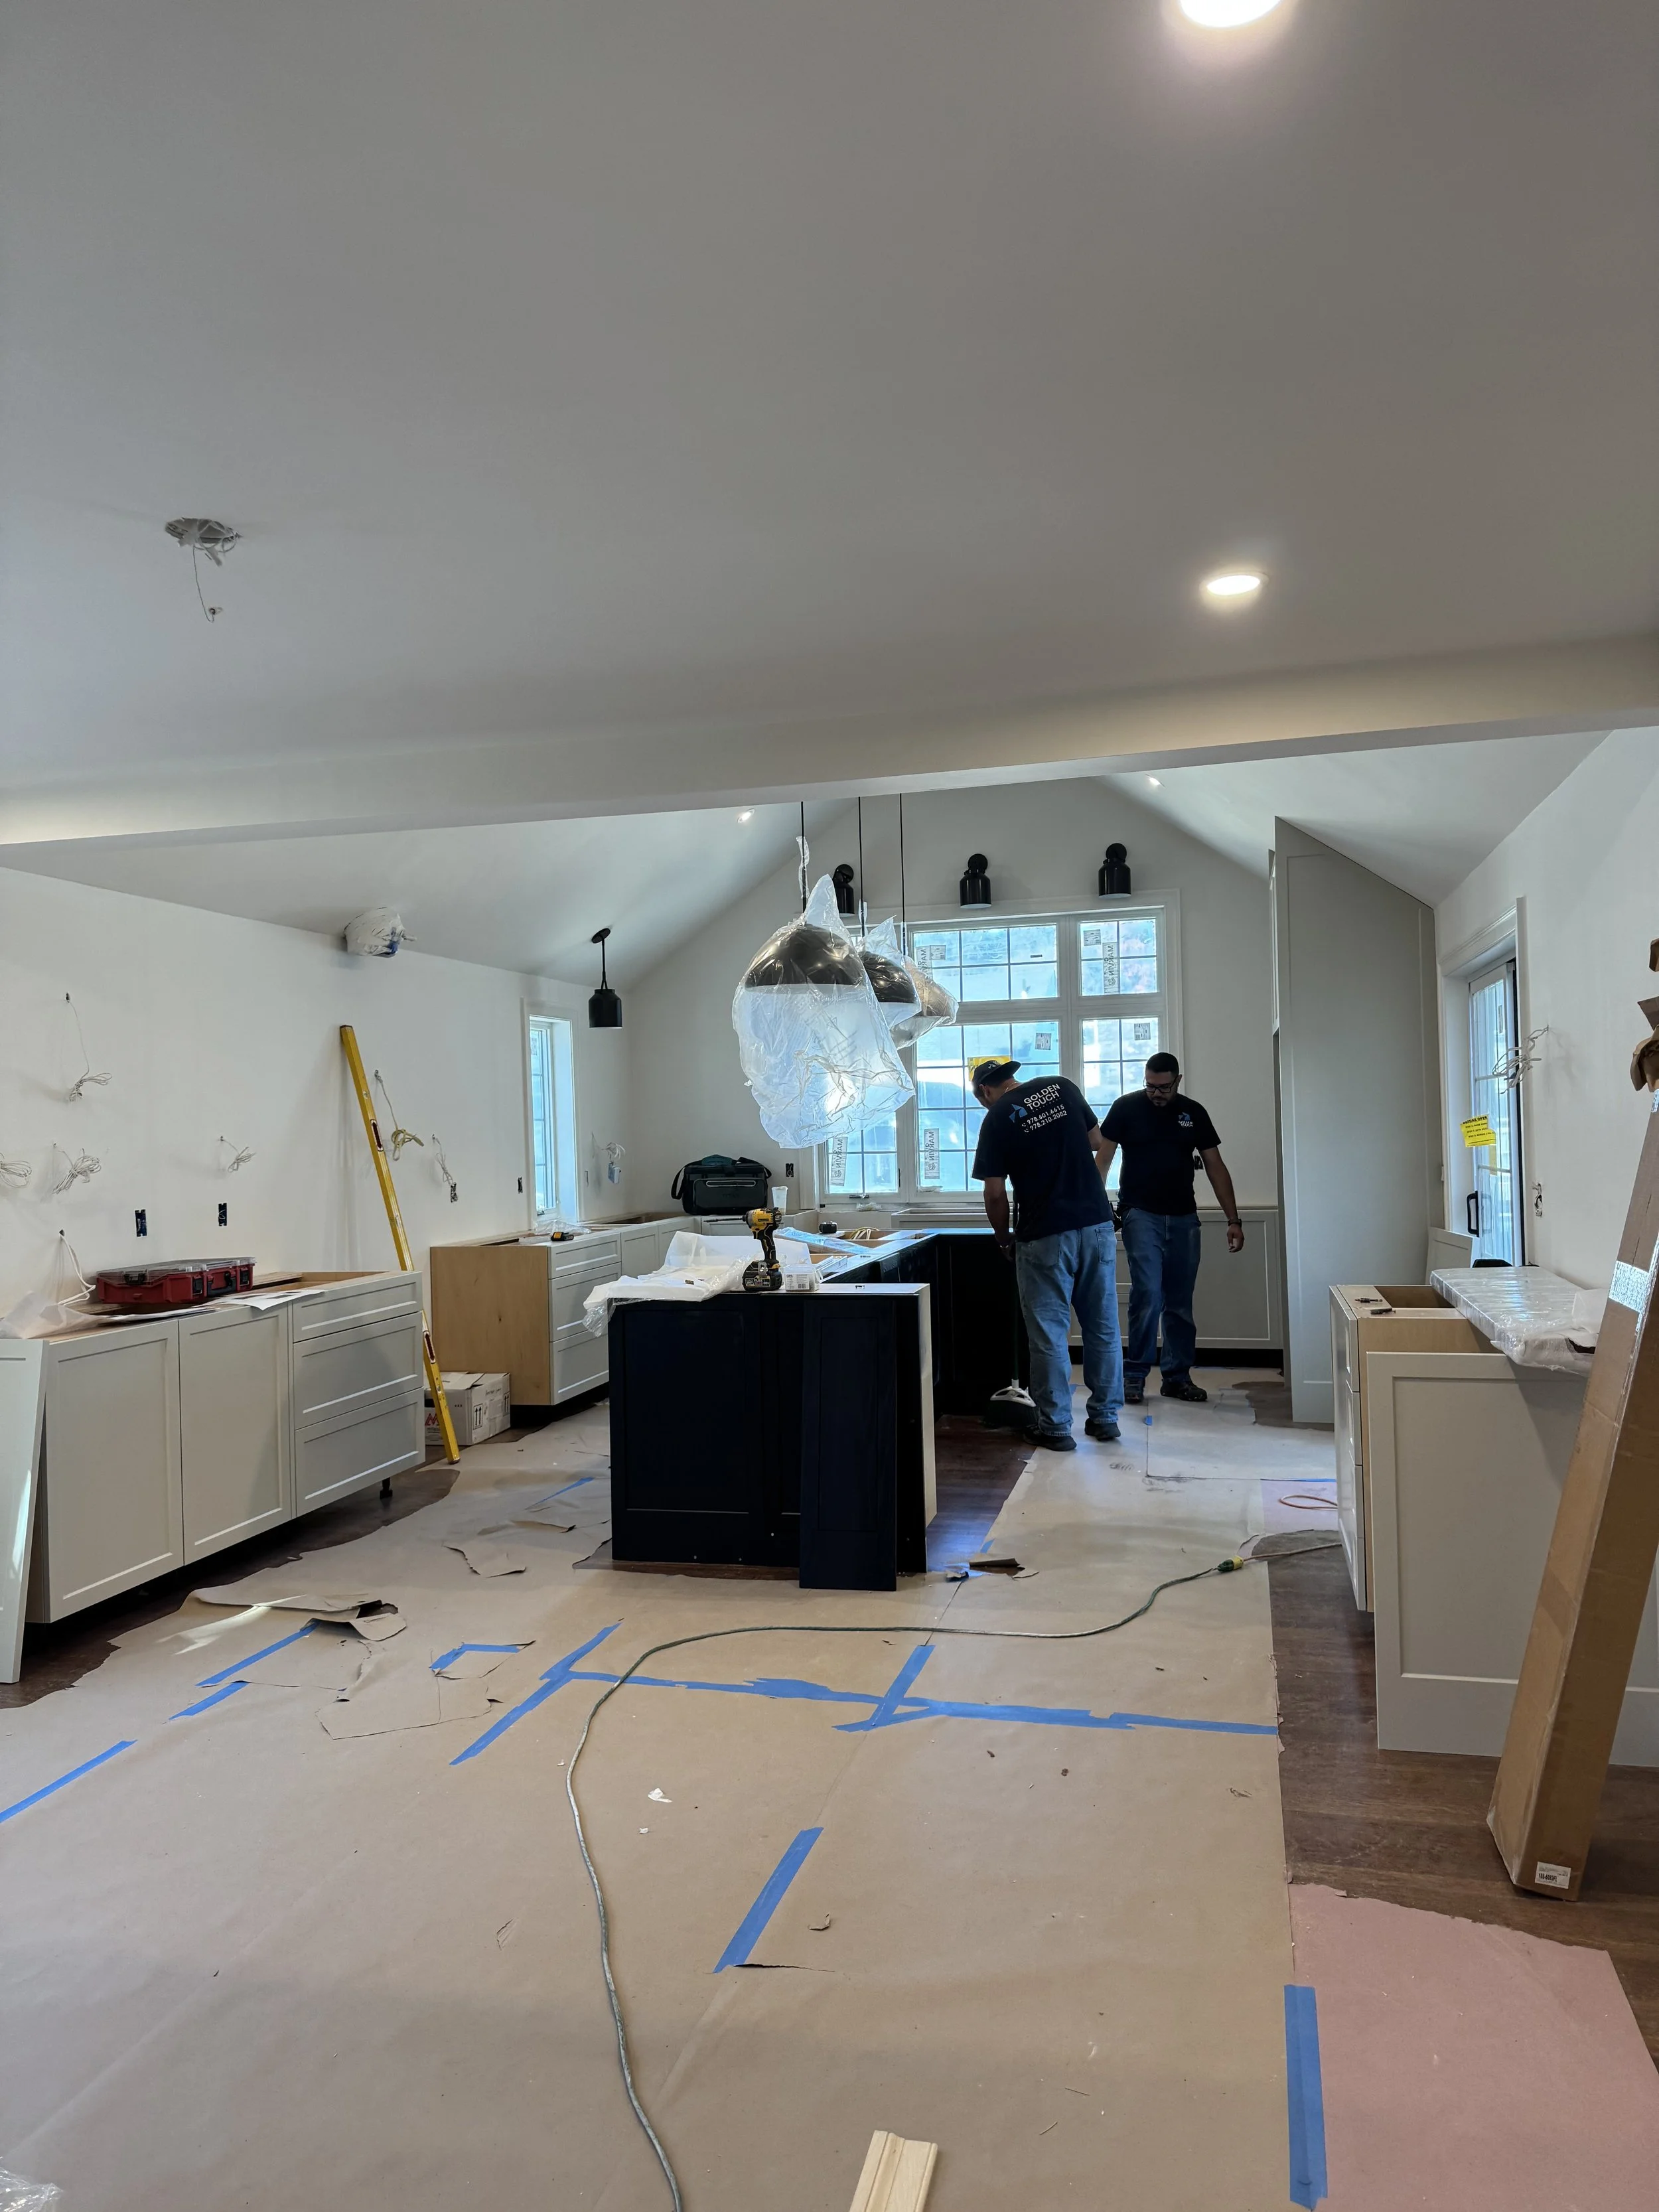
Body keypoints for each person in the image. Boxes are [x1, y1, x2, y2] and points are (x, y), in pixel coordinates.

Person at [969, 1056, 1123, 1451]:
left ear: (986, 1091)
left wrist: (1003, 1237)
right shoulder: (1062, 1086)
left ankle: (1055, 1428)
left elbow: (994, 1192)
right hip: (1097, 1223)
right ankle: (1105, 1419)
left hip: (1044, 1234)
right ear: (1011, 1078)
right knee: (1102, 1326)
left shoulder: (997, 1117)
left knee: (1050, 1335)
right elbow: (1095, 1141)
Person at [1096, 1051, 1243, 1406]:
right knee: (1147, 1294)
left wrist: (1233, 1220)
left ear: (1177, 1080)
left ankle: (1177, 1377)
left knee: (1178, 1302)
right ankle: (1134, 1375)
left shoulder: (1193, 1112)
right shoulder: (1125, 1108)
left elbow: (1215, 1166)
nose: (1156, 1093)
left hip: (1183, 1217)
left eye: (1163, 1087)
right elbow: (1103, 1158)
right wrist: (1097, 1207)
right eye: (1150, 1086)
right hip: (1139, 1213)